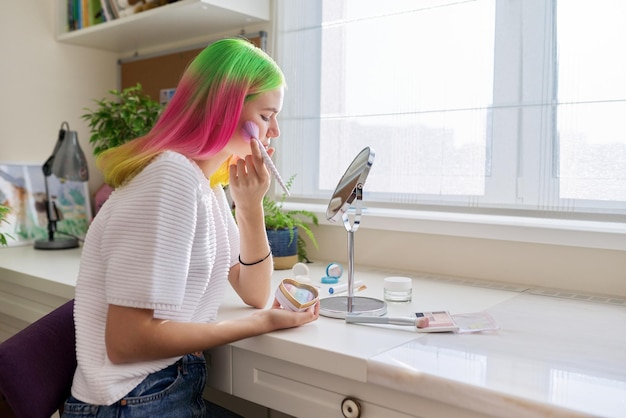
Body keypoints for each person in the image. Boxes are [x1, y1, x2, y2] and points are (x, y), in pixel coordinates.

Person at [62, 37, 320, 417]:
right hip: (132, 399)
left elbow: (253, 290)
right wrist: (260, 323)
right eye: (266, 117)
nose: (275, 132)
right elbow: (126, 341)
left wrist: (250, 207)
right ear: (225, 110)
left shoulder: (206, 185)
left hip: (163, 387)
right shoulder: (170, 179)